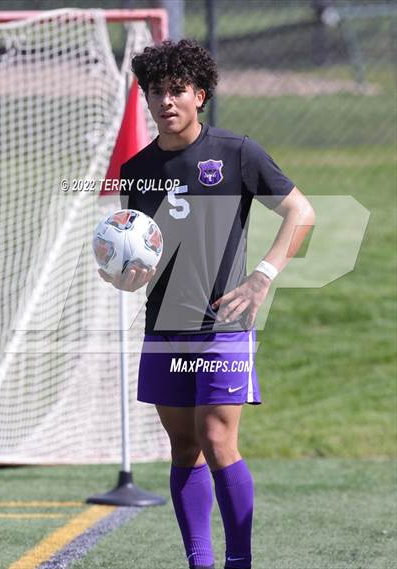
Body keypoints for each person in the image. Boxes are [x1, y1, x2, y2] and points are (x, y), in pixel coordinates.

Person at [98, 39, 315, 569]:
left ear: (200, 95)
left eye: (177, 91)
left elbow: (301, 212)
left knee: (218, 438)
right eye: (156, 91)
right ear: (146, 99)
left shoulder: (237, 153)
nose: (166, 101)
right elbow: (147, 245)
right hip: (163, 325)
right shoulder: (135, 170)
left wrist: (263, 276)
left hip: (222, 325)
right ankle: (200, 561)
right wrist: (129, 276)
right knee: (184, 445)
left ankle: (238, 561)